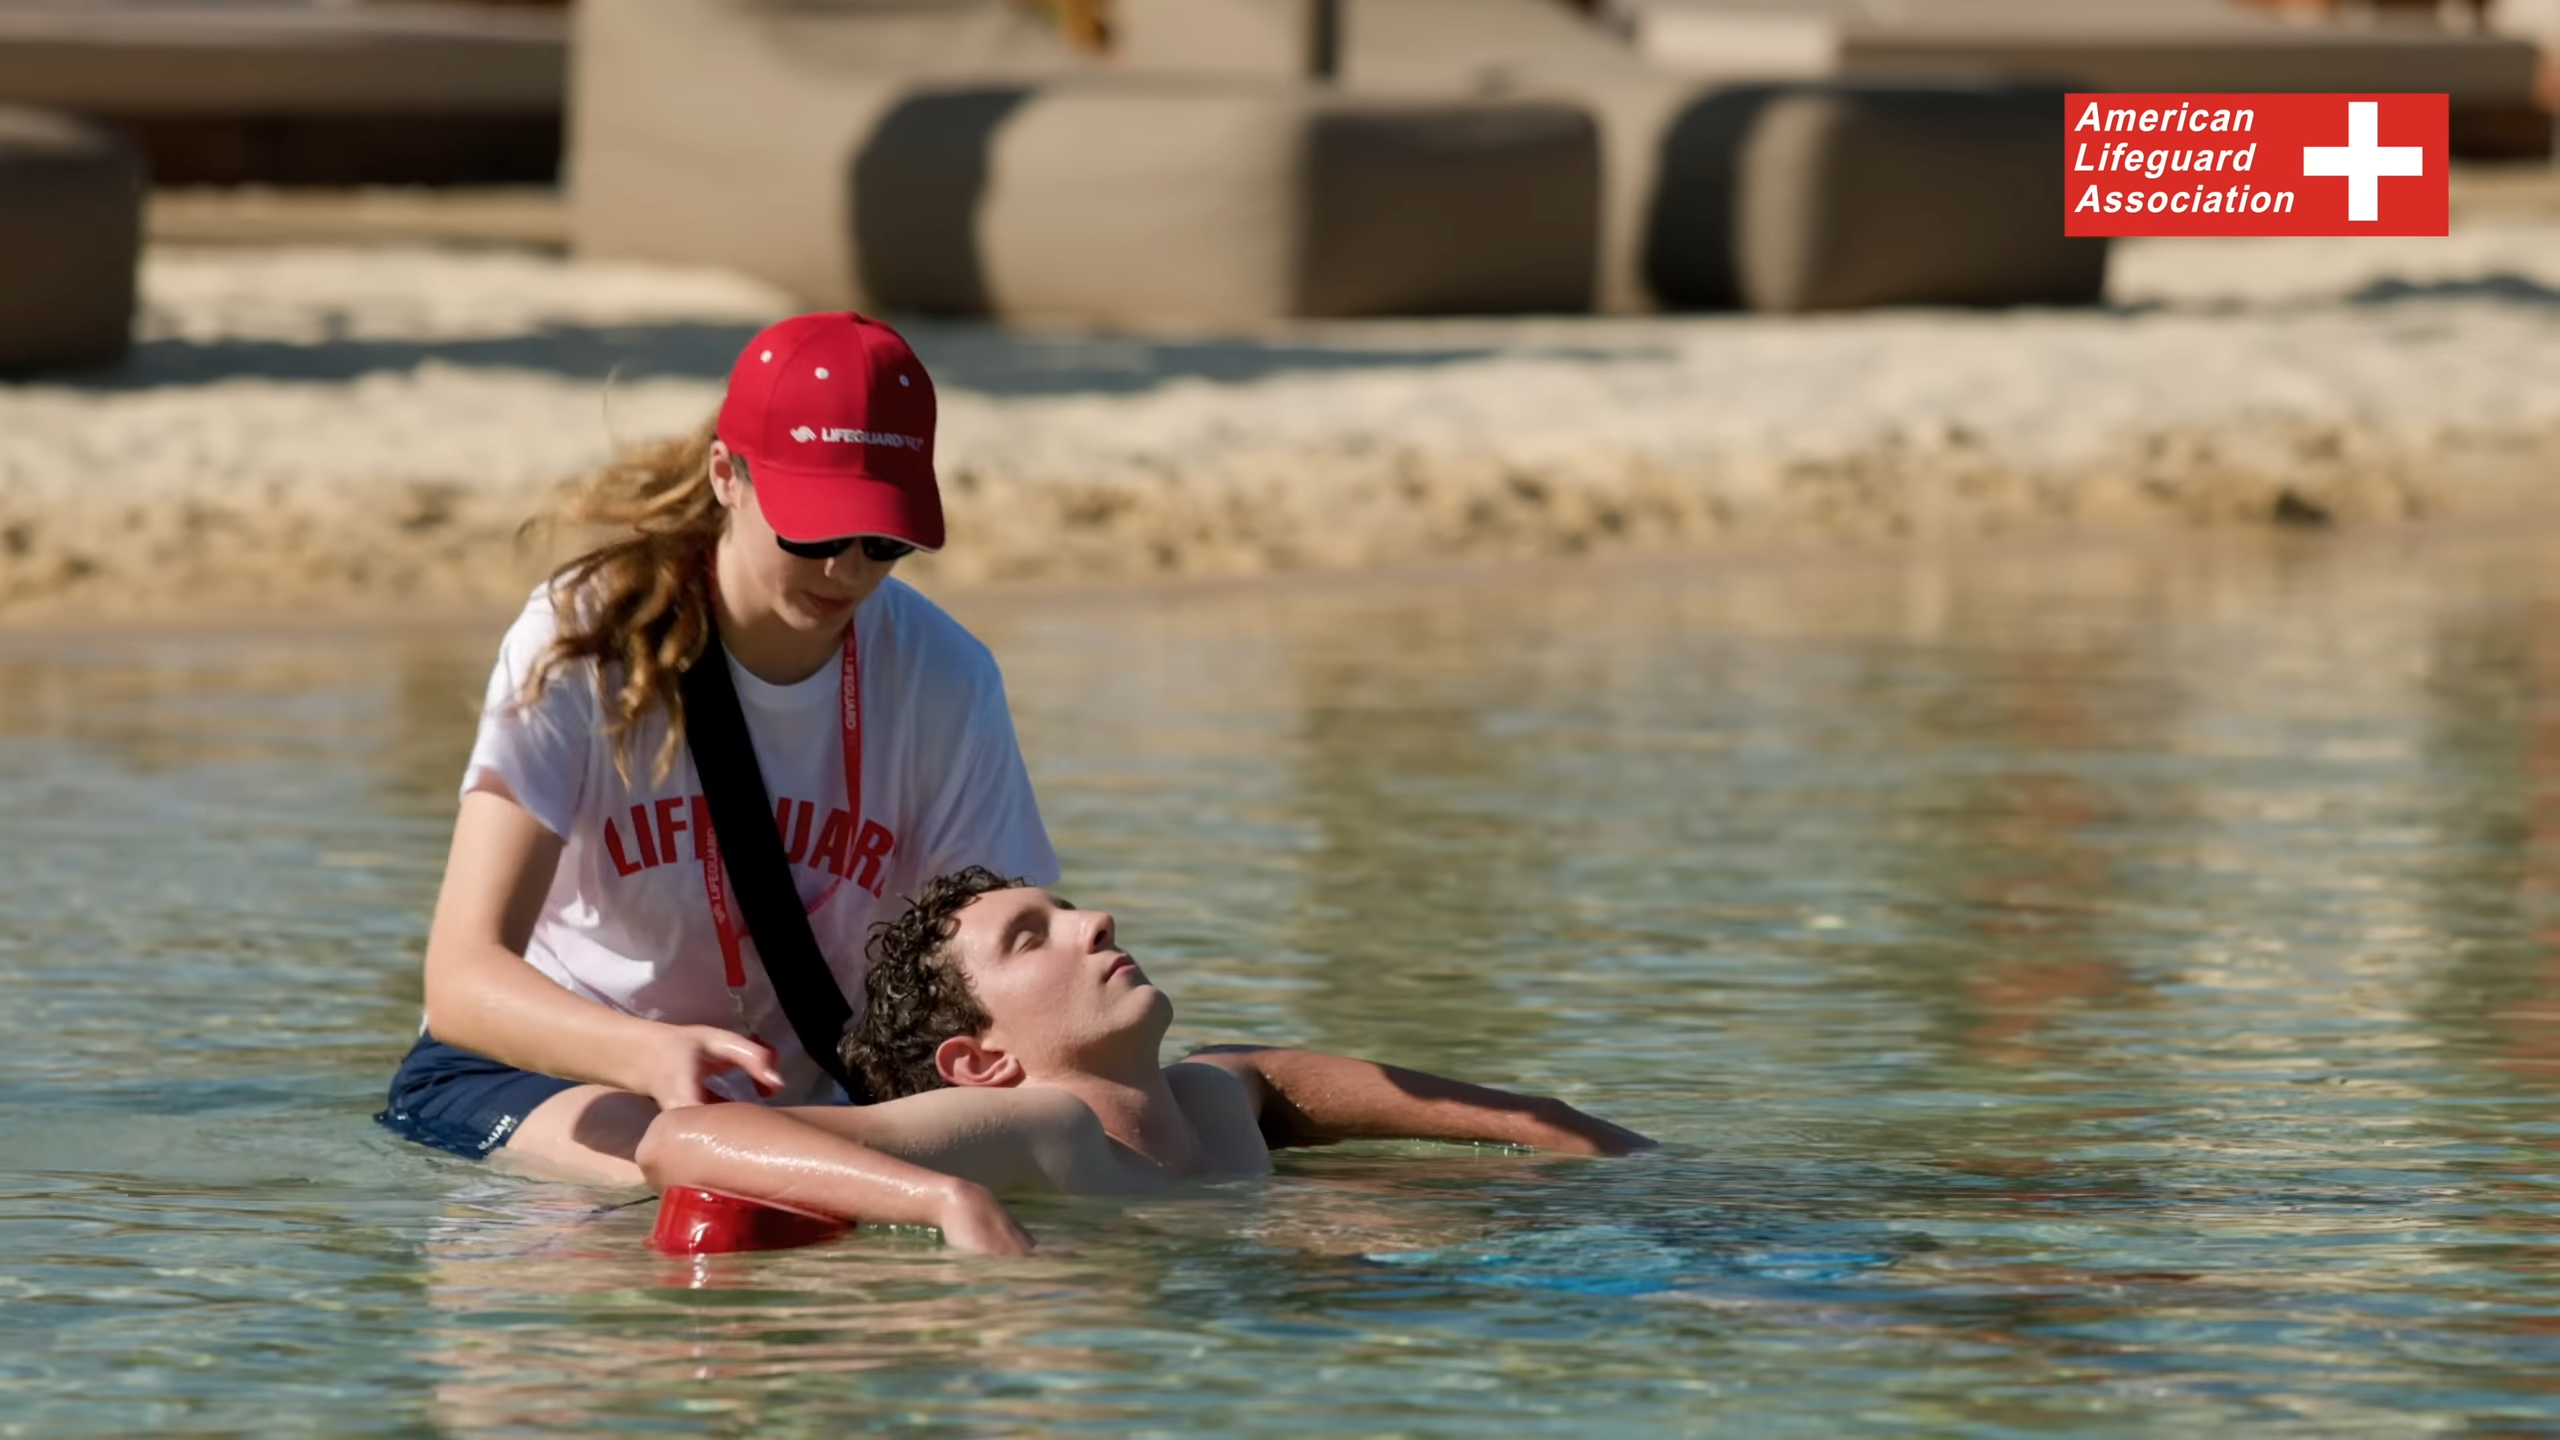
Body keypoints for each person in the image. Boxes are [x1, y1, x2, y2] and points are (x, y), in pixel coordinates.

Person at [378, 314, 1059, 1248]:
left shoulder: (948, 674)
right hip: (555, 1078)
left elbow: (1000, 962)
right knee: (722, 1204)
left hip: (803, 1096)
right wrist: (650, 1053)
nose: (846, 571)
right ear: (726, 477)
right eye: (816, 530)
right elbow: (462, 981)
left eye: (883, 541)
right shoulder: (584, 636)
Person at [634, 867, 1652, 1241]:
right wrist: (946, 1201)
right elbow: (685, 1137)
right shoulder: (1029, 1125)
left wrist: (1647, 1166)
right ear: (977, 1061)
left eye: (1069, 909)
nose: (1095, 921)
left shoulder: (1219, 1097)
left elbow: (1517, 1121)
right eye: (1032, 936)